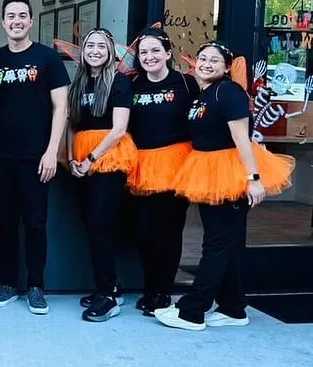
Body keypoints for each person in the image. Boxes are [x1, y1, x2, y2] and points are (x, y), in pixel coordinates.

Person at [155, 41, 295, 331]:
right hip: (207, 170)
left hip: (230, 173)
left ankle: (192, 312)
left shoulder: (229, 92)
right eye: (203, 58)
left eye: (214, 60)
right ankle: (233, 307)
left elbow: (242, 138)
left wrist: (253, 179)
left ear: (227, 67)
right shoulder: (205, 93)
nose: (206, 64)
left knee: (216, 244)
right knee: (225, 243)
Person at [0, 0, 69, 315]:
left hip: (37, 157)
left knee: (35, 224)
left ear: (31, 21)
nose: (16, 21)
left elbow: (62, 107)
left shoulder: (48, 58)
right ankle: (7, 284)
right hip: (1, 157)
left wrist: (52, 151)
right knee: (5, 222)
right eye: (11, 16)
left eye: (22, 15)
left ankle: (35, 286)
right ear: (3, 22)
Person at [127, 28, 198, 316]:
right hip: (141, 165)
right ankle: (149, 287)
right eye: (143, 52)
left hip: (176, 163)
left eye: (155, 50)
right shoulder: (132, 84)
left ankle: (163, 291)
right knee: (143, 231)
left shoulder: (186, 83)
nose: (149, 57)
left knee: (169, 231)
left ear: (168, 53)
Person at [67, 27, 136, 323]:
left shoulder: (119, 82)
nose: (95, 51)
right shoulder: (79, 82)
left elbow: (119, 129)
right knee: (91, 224)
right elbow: (72, 124)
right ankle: (109, 287)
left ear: (110, 52)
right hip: (81, 158)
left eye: (101, 46)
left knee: (100, 224)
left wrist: (91, 159)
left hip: (108, 157)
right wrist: (72, 157)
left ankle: (108, 294)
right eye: (90, 46)